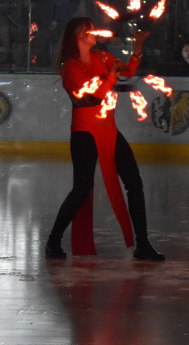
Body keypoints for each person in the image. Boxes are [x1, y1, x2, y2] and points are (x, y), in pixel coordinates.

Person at [45, 17, 164, 261]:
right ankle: (53, 241)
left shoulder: (102, 57)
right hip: (85, 131)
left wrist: (138, 47)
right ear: (78, 36)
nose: (94, 32)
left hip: (107, 129)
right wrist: (110, 77)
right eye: (88, 30)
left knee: (134, 181)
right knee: (82, 188)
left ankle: (143, 244)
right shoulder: (71, 66)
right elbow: (94, 96)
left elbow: (128, 72)